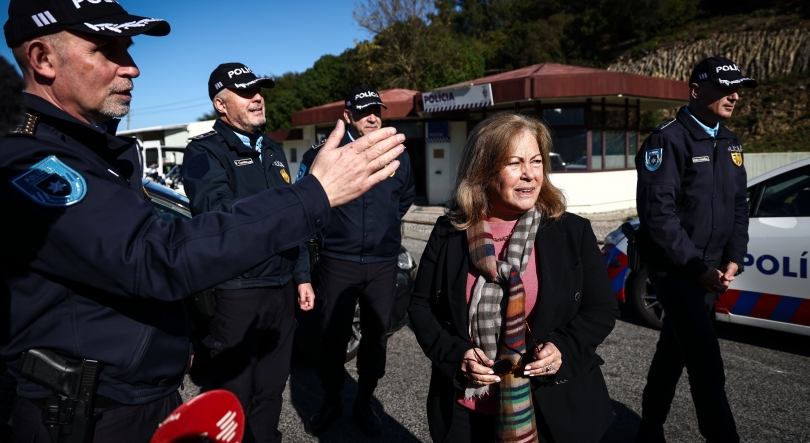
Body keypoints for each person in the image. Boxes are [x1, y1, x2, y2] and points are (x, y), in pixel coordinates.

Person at [0, 0, 406, 441]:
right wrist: (313, 195)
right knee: (236, 391)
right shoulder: (30, 161)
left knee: (269, 394)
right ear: (43, 59)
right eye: (108, 49)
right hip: (87, 413)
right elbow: (158, 254)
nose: (131, 67)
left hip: (147, 389)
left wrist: (176, 336)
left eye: (129, 49)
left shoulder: (98, 152)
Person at [408, 112, 619, 443]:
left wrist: (563, 348)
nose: (529, 175)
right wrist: (456, 354)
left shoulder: (571, 232)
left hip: (554, 409)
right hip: (469, 410)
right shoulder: (449, 233)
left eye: (536, 162)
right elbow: (420, 307)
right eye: (514, 163)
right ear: (483, 170)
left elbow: (601, 309)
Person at [182, 63, 314, 443]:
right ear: (221, 105)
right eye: (246, 92)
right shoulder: (205, 151)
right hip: (238, 290)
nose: (258, 97)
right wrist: (281, 209)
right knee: (234, 392)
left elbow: (296, 221)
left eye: (259, 90)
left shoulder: (272, 148)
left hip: (283, 287)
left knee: (273, 386)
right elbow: (215, 214)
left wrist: (302, 275)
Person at [634, 56, 754, 443]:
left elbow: (739, 204)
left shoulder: (730, 140)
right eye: (725, 87)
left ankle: (648, 428)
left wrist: (734, 257)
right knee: (706, 362)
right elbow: (659, 218)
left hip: (710, 269)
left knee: (673, 350)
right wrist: (697, 268)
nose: (734, 95)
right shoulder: (667, 139)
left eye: (738, 88)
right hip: (676, 269)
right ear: (697, 90)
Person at [298, 86, 416, 436]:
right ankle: (332, 401)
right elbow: (309, 201)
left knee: (376, 337)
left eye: (376, 110)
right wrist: (332, 235)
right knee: (332, 339)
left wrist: (384, 229)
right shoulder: (323, 153)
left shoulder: (399, 153)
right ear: (347, 115)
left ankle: (364, 402)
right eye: (363, 111)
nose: (372, 116)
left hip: (382, 263)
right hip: (338, 262)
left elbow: (404, 197)